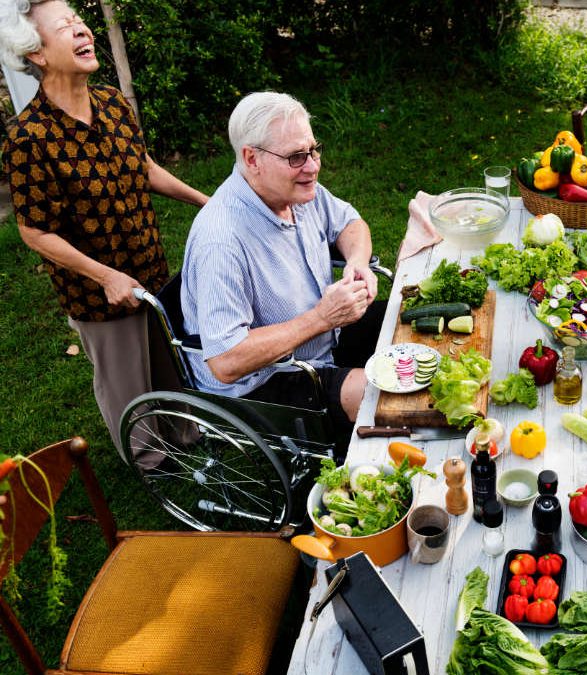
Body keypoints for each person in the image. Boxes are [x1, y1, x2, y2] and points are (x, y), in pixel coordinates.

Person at [0, 0, 208, 465]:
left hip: (149, 263)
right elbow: (34, 231)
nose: (82, 31)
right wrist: (105, 276)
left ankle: (188, 433)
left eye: (80, 22)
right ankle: (150, 461)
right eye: (66, 27)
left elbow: (143, 168)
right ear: (36, 53)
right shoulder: (28, 138)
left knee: (166, 357)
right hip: (97, 291)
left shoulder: (113, 102)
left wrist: (205, 202)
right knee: (125, 379)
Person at [182, 91, 383, 437]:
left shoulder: (296, 189)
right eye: (296, 157)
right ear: (252, 159)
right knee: (383, 396)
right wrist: (321, 318)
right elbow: (226, 361)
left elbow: (351, 224)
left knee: (410, 325)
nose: (313, 166)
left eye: (313, 150)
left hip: (323, 340)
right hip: (263, 381)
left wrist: (357, 261)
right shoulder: (221, 240)